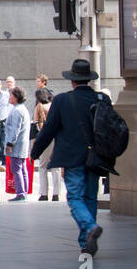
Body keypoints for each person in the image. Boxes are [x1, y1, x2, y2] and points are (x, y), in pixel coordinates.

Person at [29, 58, 105, 255]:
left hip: (72, 158)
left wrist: (35, 152)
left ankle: (89, 228)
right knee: (90, 197)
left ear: (72, 80)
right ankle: (85, 243)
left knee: (74, 197)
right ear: (88, 80)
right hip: (95, 157)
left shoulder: (63, 100)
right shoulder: (100, 99)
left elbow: (49, 129)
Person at [32, 87, 62, 202]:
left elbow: (36, 126)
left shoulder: (39, 107)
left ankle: (44, 193)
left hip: (45, 138)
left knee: (43, 166)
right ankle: (56, 193)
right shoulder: (54, 106)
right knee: (56, 167)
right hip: (56, 138)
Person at [4, 87, 31, 201]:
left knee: (17, 169)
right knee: (22, 168)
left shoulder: (16, 111)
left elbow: (15, 129)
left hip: (17, 144)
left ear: (16, 97)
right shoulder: (22, 109)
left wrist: (10, 143)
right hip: (23, 143)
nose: (9, 97)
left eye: (11, 95)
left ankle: (20, 193)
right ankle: (23, 191)